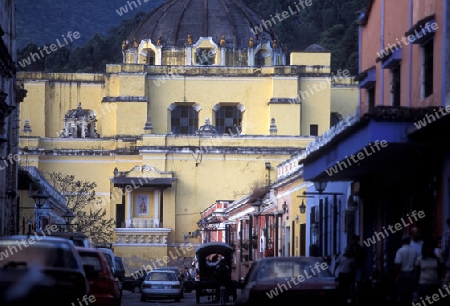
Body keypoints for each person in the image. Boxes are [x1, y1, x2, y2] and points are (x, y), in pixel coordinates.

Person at [395, 235, 418, 306]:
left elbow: (398, 263)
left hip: (403, 273)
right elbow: (416, 264)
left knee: (402, 293)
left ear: (402, 242)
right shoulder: (414, 251)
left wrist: (397, 275)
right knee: (410, 293)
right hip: (411, 273)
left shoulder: (400, 251)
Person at [350, 235, 367, 303]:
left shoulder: (359, 248)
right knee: (353, 283)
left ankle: (357, 297)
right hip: (353, 267)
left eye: (355, 240)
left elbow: (364, 256)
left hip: (358, 267)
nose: (354, 241)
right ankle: (354, 297)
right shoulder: (351, 248)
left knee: (358, 282)